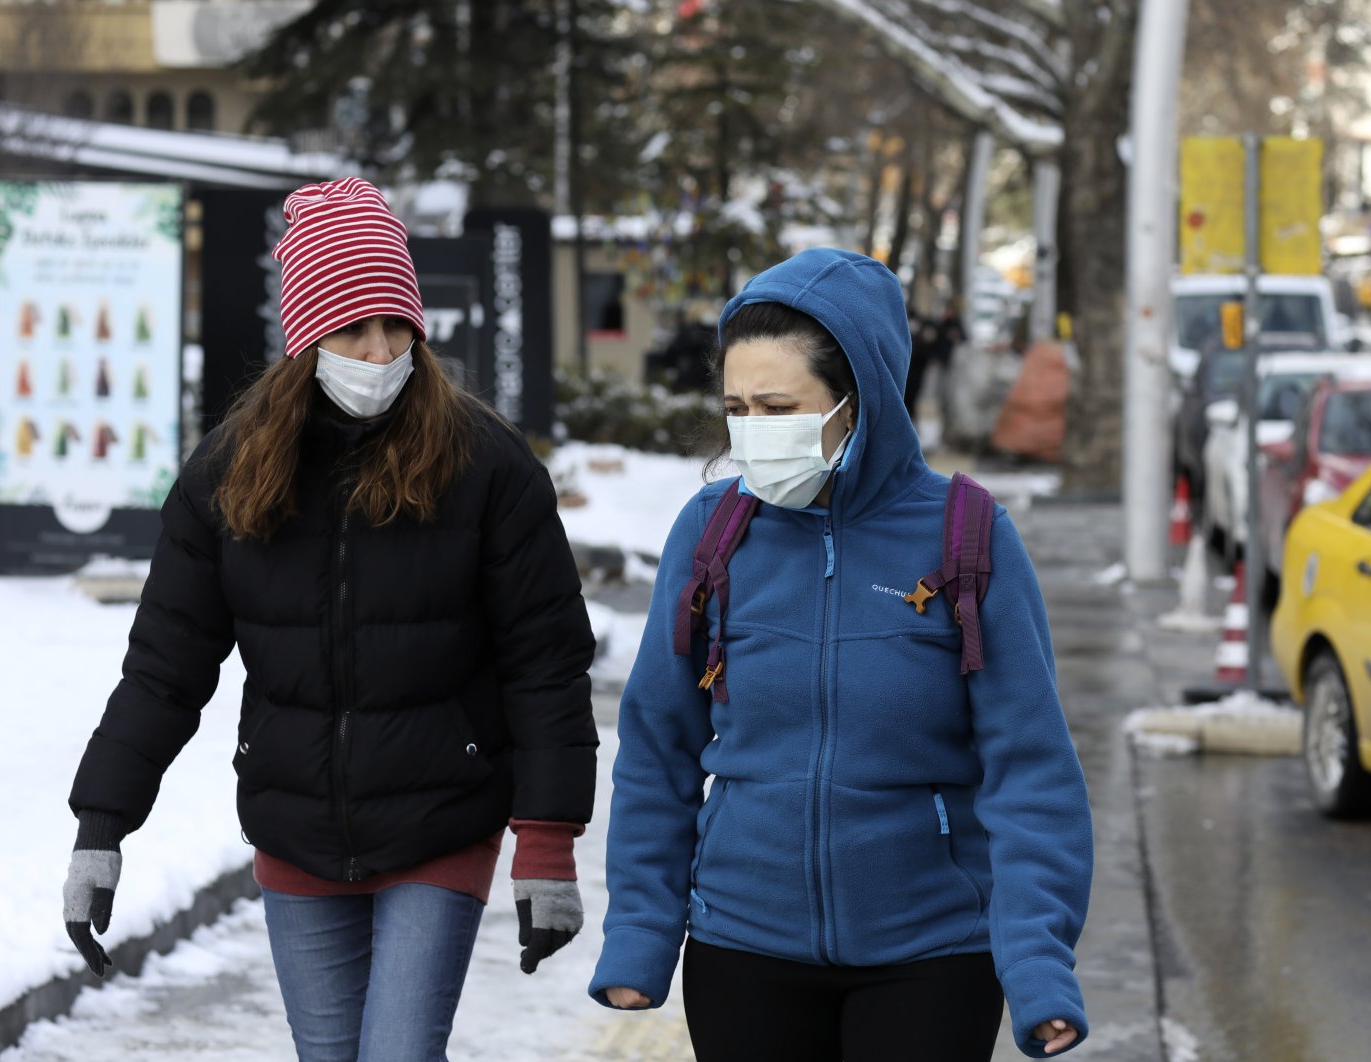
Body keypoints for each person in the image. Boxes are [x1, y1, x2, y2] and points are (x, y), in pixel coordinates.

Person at [61, 178, 598, 1062]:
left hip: (441, 817)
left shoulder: (487, 466)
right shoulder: (228, 474)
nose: (382, 350)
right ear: (305, 335)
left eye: (398, 326)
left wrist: (545, 845)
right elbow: (165, 667)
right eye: (354, 328)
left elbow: (545, 662)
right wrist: (101, 827)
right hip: (296, 825)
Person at [590, 248, 1093, 1059]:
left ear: (858, 402)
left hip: (931, 956)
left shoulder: (966, 536)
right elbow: (657, 749)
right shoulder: (714, 532)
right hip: (742, 947)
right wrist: (642, 930)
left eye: (778, 406)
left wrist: (1037, 958)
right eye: (737, 408)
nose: (753, 433)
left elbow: (1029, 768)